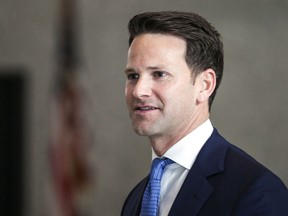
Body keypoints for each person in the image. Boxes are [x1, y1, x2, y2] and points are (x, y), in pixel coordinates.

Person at [121, 11, 288, 216]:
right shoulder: (135, 199)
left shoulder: (257, 191)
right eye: (133, 76)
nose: (138, 90)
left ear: (204, 85)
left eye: (159, 74)